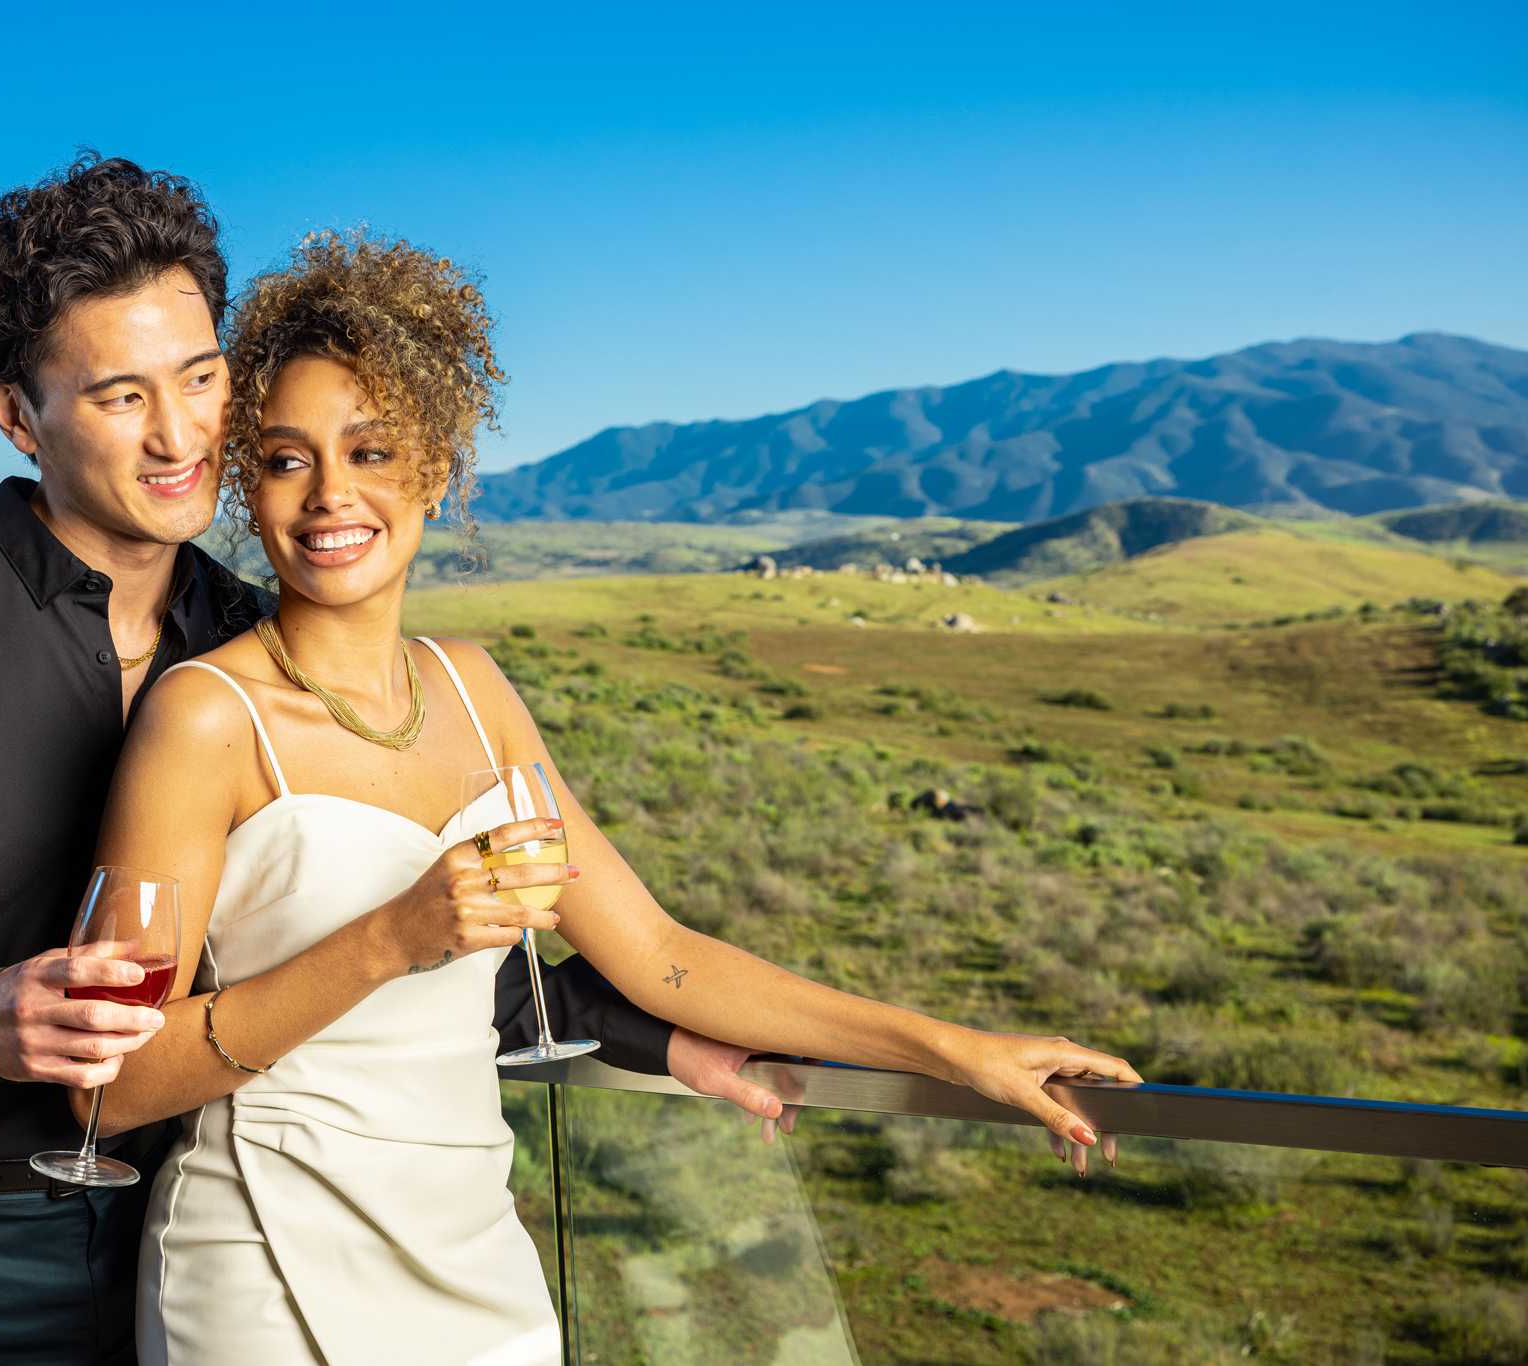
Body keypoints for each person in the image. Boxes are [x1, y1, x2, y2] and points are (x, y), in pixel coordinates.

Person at [0, 156, 744, 1365]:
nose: (180, 434)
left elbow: (371, 936)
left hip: (206, 1219)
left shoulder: (249, 642)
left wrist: (661, 1041)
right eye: (121, 396)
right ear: (16, 415)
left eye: (199, 376)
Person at [89, 233, 1144, 1365]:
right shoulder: (202, 717)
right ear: (248, 480)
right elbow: (116, 1080)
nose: (330, 494)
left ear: (436, 470)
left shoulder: (473, 689)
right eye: (288, 458)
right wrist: (392, 938)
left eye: (372, 450)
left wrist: (952, 1050)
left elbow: (661, 955)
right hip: (260, 1264)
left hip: (469, 1251)